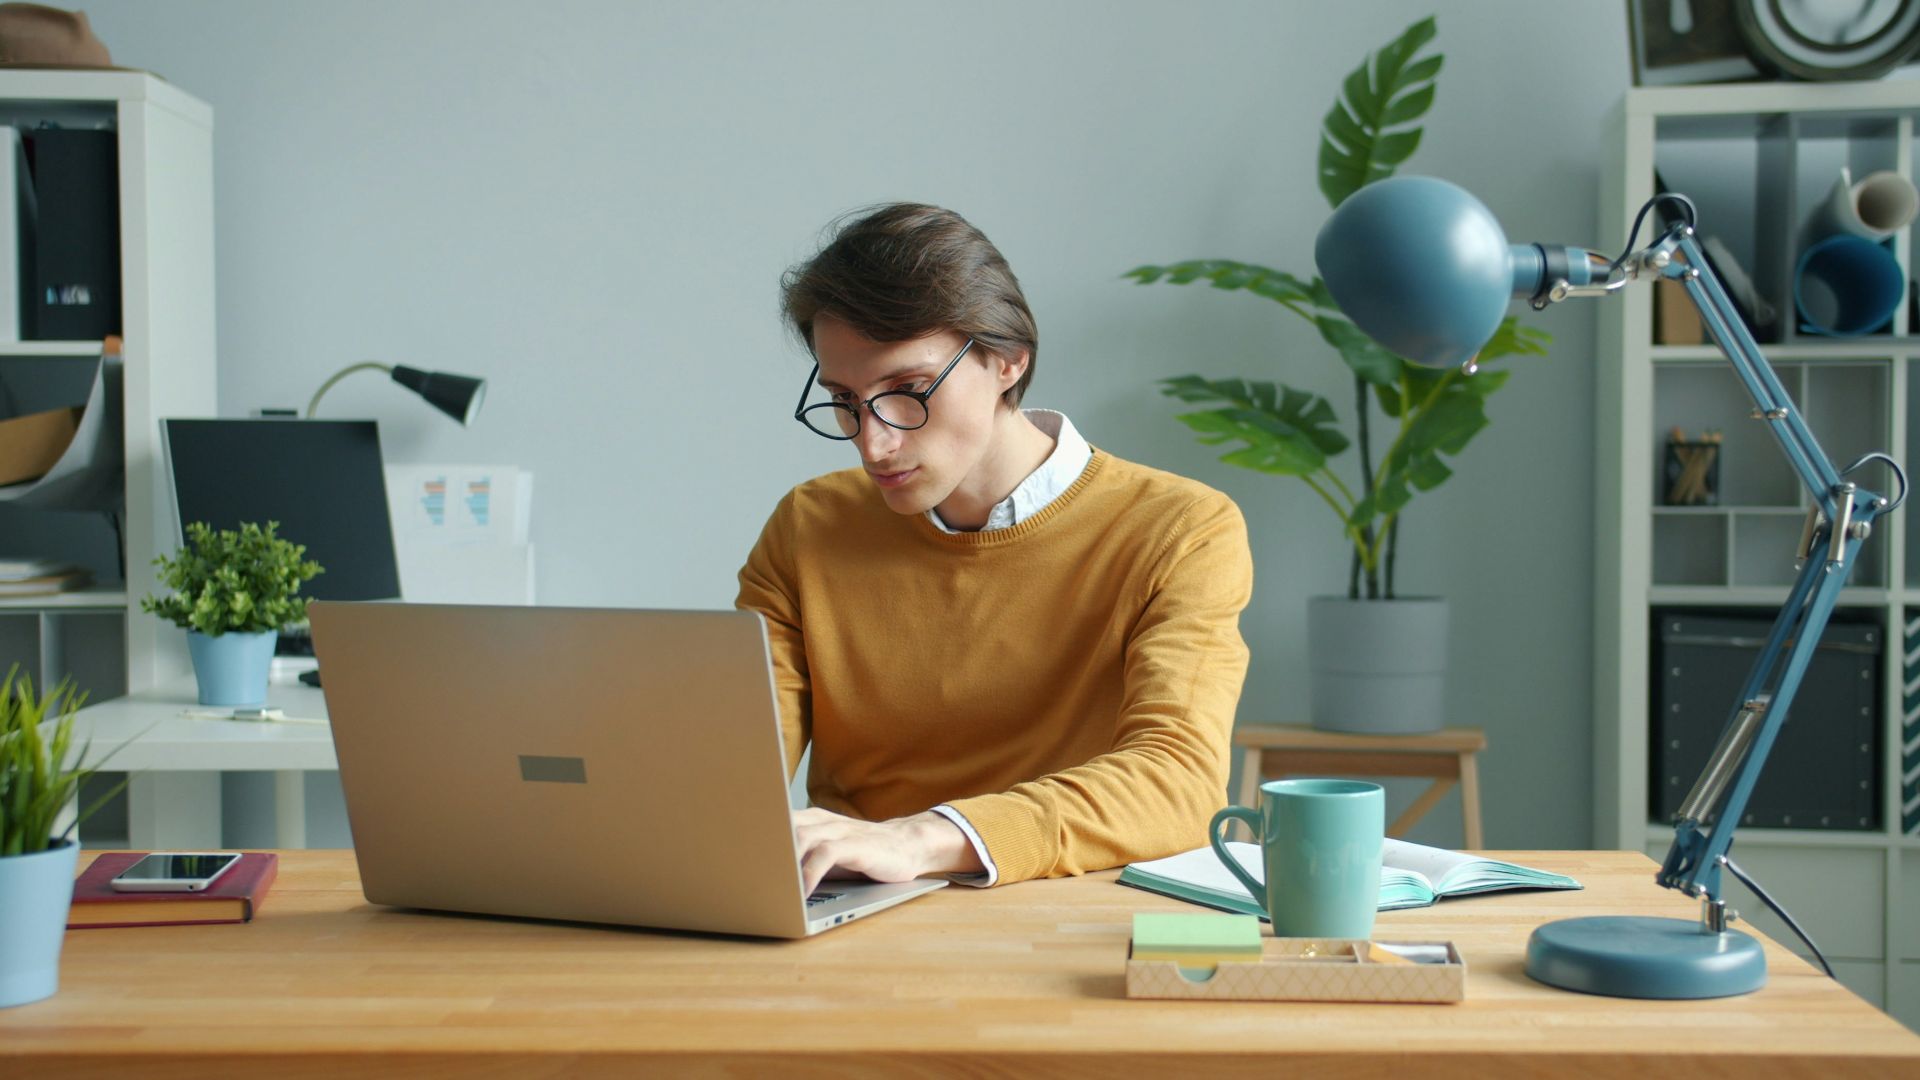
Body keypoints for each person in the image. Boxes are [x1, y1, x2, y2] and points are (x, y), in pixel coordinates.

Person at [736, 203, 1253, 895]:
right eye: (846, 399)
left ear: (1008, 360)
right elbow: (738, 767)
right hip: (851, 911)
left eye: (909, 391)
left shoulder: (1179, 529)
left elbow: (1179, 783)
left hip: (1062, 916)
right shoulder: (809, 527)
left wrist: (920, 837)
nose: (873, 441)